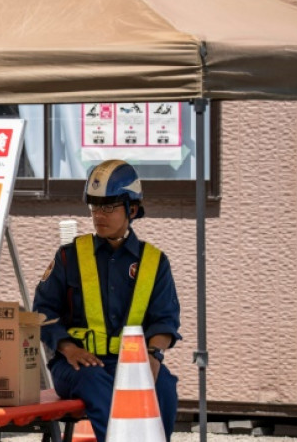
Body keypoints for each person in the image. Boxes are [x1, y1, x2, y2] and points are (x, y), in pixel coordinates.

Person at [33, 159, 181, 442]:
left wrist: (152, 356)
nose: (99, 214)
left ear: (132, 209)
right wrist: (68, 349)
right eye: (95, 206)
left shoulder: (154, 262)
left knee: (164, 387)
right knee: (98, 385)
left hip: (135, 362)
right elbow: (42, 312)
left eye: (109, 206)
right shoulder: (69, 256)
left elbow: (165, 320)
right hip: (76, 365)